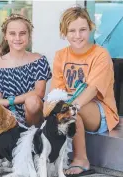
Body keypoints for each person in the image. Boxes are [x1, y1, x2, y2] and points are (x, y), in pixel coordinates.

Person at [51, 7, 119, 176]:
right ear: (64, 32)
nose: (78, 35)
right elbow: (57, 89)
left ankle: (81, 160)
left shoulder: (100, 55)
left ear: (90, 28)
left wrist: (69, 107)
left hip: (98, 111)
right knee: (54, 108)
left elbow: (92, 89)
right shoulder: (61, 55)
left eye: (83, 29)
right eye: (72, 30)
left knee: (74, 111)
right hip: (71, 105)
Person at [0, 13, 52, 128]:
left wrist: (9, 101)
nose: (17, 38)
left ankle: (32, 134)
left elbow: (39, 92)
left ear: (29, 36)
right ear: (5, 36)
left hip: (32, 116)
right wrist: (6, 105)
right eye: (12, 33)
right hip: (7, 116)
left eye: (22, 33)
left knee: (33, 101)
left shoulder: (38, 60)